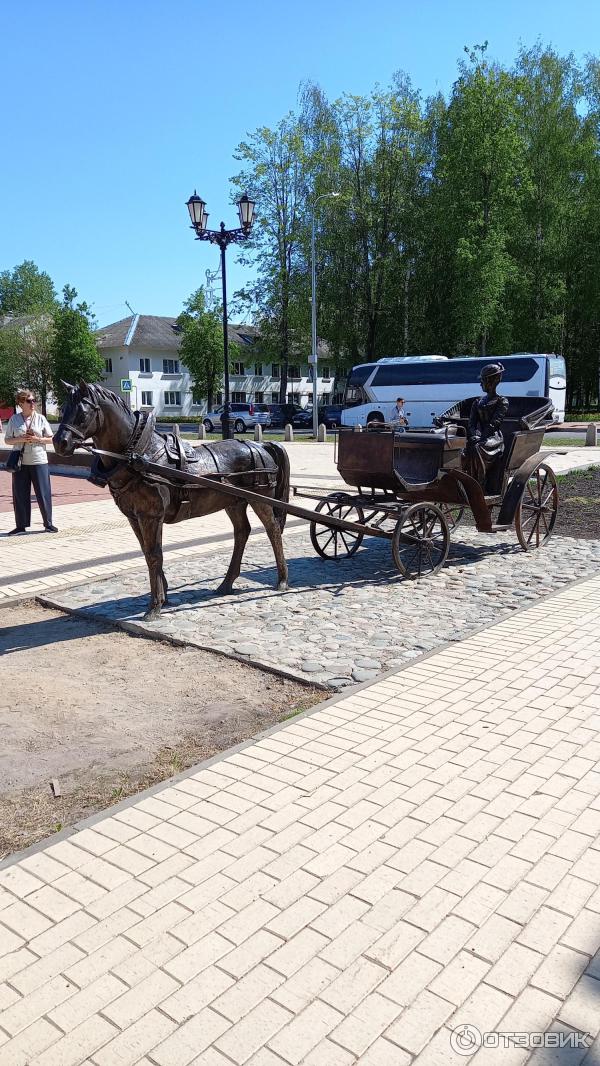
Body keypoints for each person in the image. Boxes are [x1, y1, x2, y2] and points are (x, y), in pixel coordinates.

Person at [5, 389, 58, 534]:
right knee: (20, 494)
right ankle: (21, 526)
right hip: (20, 462)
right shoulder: (14, 419)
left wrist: (38, 439)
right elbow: (7, 439)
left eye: (34, 400)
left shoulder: (41, 418)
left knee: (43, 493)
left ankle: (48, 524)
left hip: (39, 461)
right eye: (29, 401)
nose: (33, 403)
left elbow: (52, 439)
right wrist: (21, 438)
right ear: (21, 403)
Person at [463, 363, 508, 488]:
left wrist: (482, 437)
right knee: (462, 448)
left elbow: (495, 423)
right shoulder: (477, 402)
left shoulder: (501, 401)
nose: (480, 384)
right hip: (479, 437)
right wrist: (475, 434)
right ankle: (465, 481)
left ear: (491, 381)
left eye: (482, 380)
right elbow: (471, 423)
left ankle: (479, 483)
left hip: (494, 439)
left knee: (477, 447)